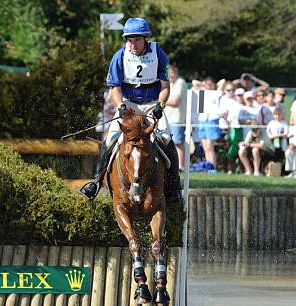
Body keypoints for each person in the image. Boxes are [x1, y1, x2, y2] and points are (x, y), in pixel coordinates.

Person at [79, 17, 181, 201]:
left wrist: (161, 106)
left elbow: (165, 86)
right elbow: (114, 88)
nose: (133, 44)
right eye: (129, 40)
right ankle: (95, 182)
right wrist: (121, 106)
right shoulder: (119, 56)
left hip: (152, 103)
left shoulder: (159, 54)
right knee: (110, 139)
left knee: (166, 138)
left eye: (137, 40)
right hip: (129, 104)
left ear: (145, 39)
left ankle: (174, 186)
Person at [165, 64, 187, 170]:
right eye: (168, 73)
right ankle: (171, 166)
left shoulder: (180, 82)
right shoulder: (168, 84)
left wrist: (160, 101)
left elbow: (174, 101)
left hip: (177, 119)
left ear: (176, 73)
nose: (170, 75)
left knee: (178, 144)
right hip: (166, 119)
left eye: (172, 73)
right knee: (167, 144)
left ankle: (180, 167)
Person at [197, 77, 222, 169]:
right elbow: (194, 82)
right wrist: (203, 84)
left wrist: (213, 85)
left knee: (209, 147)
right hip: (202, 119)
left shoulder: (217, 93)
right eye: (206, 83)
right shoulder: (202, 93)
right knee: (205, 148)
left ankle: (212, 167)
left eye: (210, 83)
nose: (208, 85)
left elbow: (222, 81)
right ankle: (209, 166)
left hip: (212, 119)